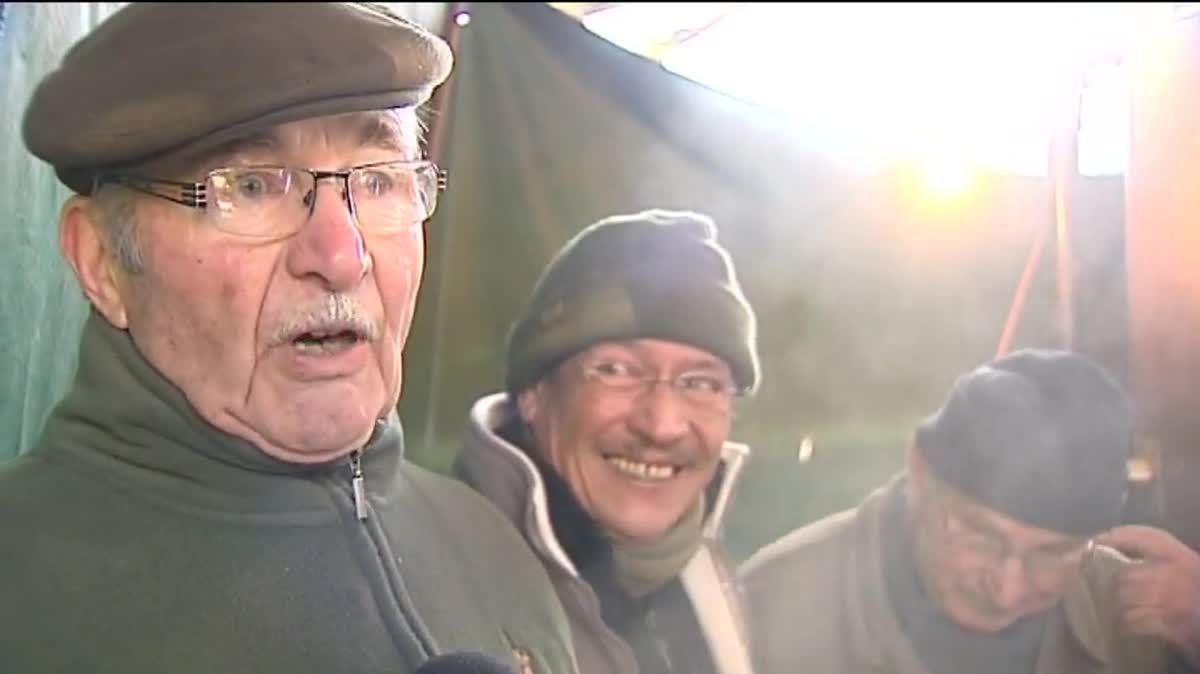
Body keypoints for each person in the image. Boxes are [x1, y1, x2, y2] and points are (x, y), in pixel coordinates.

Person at [0, 4, 579, 673]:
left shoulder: (494, 550)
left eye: (379, 179)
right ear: (101, 261)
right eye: (249, 186)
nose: (340, 254)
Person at [740, 348, 1200, 674]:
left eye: (1052, 554)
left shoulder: (1146, 611)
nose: (1006, 588)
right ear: (919, 472)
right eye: (981, 535)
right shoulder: (766, 611)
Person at [453, 209, 760, 674]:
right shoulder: (443, 577)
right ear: (534, 393)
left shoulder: (707, 573)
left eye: (700, 383)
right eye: (616, 370)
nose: (661, 425)